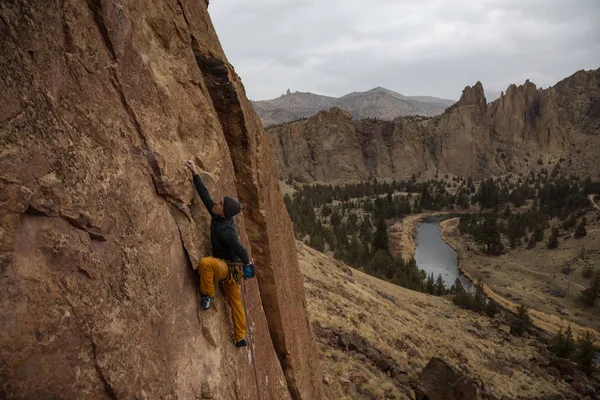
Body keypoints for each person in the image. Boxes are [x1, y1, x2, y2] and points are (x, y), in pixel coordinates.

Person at [185, 160, 254, 347]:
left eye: (221, 203)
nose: (217, 202)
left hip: (228, 268)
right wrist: (195, 173)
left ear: (225, 212)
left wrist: (248, 264)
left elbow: (240, 249)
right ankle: (240, 336)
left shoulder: (228, 231)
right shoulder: (217, 214)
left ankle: (207, 295)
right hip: (227, 267)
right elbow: (205, 197)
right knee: (236, 303)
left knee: (206, 264)